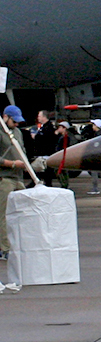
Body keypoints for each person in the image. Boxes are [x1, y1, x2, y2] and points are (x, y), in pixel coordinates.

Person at [0, 105, 31, 291]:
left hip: (18, 177)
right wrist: (12, 164)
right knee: (3, 214)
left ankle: (21, 244)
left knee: (23, 212)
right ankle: (4, 248)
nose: (16, 123)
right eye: (13, 120)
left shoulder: (17, 132)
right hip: (4, 177)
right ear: (5, 117)